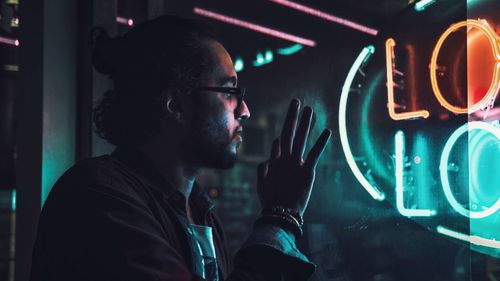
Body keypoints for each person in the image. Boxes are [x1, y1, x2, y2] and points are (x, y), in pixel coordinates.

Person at [29, 15, 331, 281]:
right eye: (229, 92)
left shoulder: (200, 211)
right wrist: (280, 219)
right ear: (176, 106)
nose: (245, 110)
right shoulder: (97, 196)